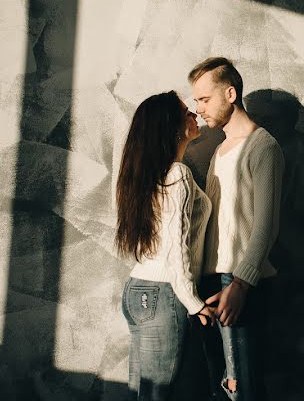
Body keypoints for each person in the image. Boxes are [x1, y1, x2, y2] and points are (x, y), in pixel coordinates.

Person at [189, 57, 284, 400]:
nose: (197, 108)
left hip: (241, 283)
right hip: (212, 281)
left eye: (204, 99)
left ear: (230, 93)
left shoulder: (264, 147)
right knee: (221, 386)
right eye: (195, 100)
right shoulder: (220, 150)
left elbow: (266, 225)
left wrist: (241, 284)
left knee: (243, 388)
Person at [115, 91, 218, 400]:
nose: (196, 115)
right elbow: (177, 248)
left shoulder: (150, 175)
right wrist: (194, 301)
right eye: (187, 113)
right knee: (157, 395)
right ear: (172, 127)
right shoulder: (178, 175)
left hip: (140, 291)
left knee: (146, 393)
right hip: (164, 294)